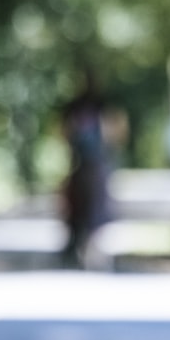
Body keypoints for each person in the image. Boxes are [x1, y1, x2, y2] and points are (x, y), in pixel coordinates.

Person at [60, 71, 117, 267]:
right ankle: (85, 244)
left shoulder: (78, 105)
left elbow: (64, 133)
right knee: (94, 205)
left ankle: (80, 244)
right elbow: (114, 133)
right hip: (92, 162)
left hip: (82, 162)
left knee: (80, 204)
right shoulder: (100, 104)